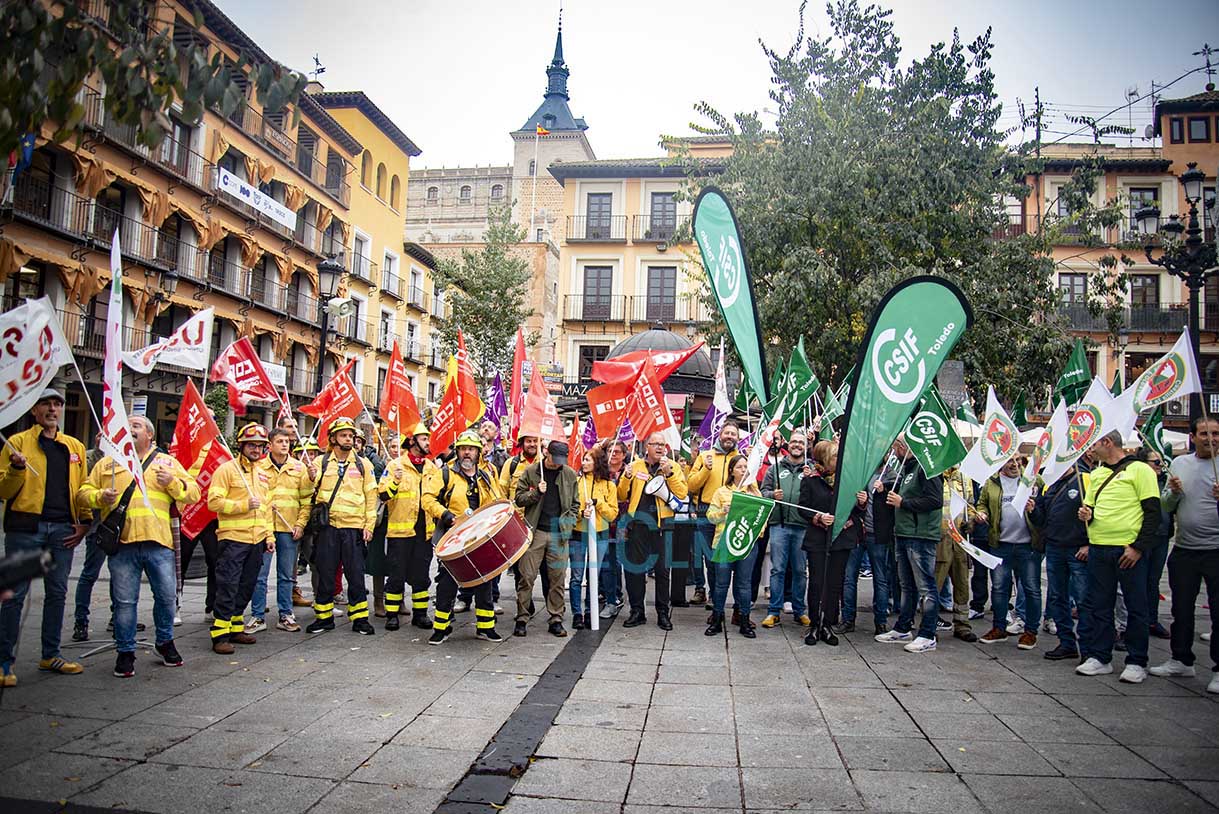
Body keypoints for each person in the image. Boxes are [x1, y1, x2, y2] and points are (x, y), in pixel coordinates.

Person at [77, 416, 199, 677]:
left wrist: (173, 483)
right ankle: (125, 652)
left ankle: (165, 642)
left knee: (166, 598)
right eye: (127, 425)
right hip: (123, 545)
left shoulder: (167, 462)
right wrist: (100, 497)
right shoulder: (108, 463)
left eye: (136, 426)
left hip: (159, 543)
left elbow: (194, 493)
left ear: (150, 436)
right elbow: (82, 493)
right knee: (124, 602)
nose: (131, 429)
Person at [0, 389, 91, 685]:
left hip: (63, 530)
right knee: (15, 596)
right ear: (34, 411)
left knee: (57, 593)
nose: (52, 409)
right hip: (27, 530)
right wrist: (15, 469)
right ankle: (4, 664)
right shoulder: (18, 443)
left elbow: (83, 489)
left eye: (57, 404)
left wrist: (84, 522)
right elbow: (3, 491)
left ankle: (50, 654)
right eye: (46, 404)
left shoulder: (74, 446)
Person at [1076, 430, 1161, 683]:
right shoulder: (1097, 473)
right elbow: (1090, 508)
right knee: (1100, 605)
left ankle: (1137, 660)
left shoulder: (1140, 470)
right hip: (1099, 548)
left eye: (1093, 443)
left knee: (1136, 606)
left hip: (1127, 550)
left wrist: (1138, 547)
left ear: (1107, 442)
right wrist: (1085, 515)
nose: (1089, 449)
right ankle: (1100, 657)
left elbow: (1153, 513)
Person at [1150, 417, 1219, 694]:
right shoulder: (1180, 464)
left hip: (1216, 550)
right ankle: (1181, 658)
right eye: (1204, 433)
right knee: (1181, 609)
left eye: (1215, 433)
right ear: (1192, 437)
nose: (1210, 438)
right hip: (1185, 549)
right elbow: (1166, 504)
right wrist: (1174, 493)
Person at [422, 429, 504, 644]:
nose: (467, 453)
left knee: (484, 581)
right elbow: (428, 499)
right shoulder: (446, 473)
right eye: (463, 449)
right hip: (452, 537)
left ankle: (486, 627)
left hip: (479, 538)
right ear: (458, 451)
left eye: (471, 450)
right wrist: (446, 515)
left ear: (478, 453)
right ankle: (441, 627)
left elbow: (496, 500)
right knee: (447, 582)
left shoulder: (487, 475)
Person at [304, 418, 378, 636]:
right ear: (333, 438)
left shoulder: (364, 465)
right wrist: (309, 477)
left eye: (351, 436)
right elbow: (310, 488)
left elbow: (371, 497)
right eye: (344, 435)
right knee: (326, 573)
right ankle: (324, 618)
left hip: (354, 528)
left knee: (356, 575)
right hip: (328, 528)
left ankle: (360, 619)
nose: (349, 439)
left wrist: (369, 526)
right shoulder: (321, 462)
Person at [206, 424, 274, 654]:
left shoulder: (262, 473)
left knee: (246, 585)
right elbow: (213, 502)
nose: (256, 449)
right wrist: (243, 505)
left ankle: (236, 626)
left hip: (257, 539)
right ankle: (220, 634)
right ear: (242, 445)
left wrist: (269, 535)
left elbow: (267, 508)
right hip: (233, 539)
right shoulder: (227, 470)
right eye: (252, 445)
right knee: (228, 585)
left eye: (260, 445)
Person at [876, 436, 944, 654]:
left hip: (921, 535)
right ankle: (904, 627)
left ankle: (927, 634)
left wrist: (903, 503)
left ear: (905, 447)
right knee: (906, 585)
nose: (894, 451)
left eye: (896, 446)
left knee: (926, 586)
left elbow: (935, 500)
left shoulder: (926, 468)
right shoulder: (907, 469)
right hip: (904, 533)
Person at [618, 432, 688, 630]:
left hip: (662, 525)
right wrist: (626, 477)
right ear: (646, 446)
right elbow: (622, 495)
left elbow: (682, 493)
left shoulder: (672, 466)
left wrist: (670, 474)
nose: (659, 448)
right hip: (638, 525)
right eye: (655, 444)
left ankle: (663, 613)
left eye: (662, 445)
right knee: (634, 570)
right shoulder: (635, 465)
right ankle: (637, 611)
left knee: (662, 571)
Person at [798, 440, 865, 645]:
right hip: (818, 539)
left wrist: (862, 503)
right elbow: (802, 508)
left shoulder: (848, 480)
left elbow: (856, 510)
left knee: (834, 583)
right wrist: (818, 517)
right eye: (836, 456)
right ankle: (814, 624)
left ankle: (828, 624)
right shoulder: (811, 480)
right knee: (817, 582)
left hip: (842, 538)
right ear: (826, 459)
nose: (840, 460)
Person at [250, 428, 314, 634]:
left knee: (287, 574)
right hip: (264, 527)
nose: (284, 444)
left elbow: (306, 500)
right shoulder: (258, 467)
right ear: (270, 445)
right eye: (279, 441)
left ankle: (286, 614)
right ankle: (257, 615)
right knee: (260, 575)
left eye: (287, 441)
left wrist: (300, 524)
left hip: (289, 528)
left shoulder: (298, 467)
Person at [515, 440, 580, 637]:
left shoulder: (568, 473)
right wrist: (536, 493)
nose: (558, 463)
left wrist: (567, 525)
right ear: (546, 453)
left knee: (557, 579)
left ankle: (556, 618)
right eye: (555, 458)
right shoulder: (531, 471)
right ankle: (522, 617)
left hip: (559, 533)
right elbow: (519, 498)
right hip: (535, 532)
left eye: (562, 459)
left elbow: (575, 504)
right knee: (526, 576)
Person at [978, 457, 1043, 650]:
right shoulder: (991, 482)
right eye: (1009, 461)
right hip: (1001, 544)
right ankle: (999, 628)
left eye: (1017, 460)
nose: (1015, 465)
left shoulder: (1033, 480)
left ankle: (1030, 631)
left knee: (1031, 588)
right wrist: (982, 514)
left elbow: (1045, 507)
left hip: (1027, 545)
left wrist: (1035, 509)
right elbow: (982, 504)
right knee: (999, 588)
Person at [379, 423, 438, 631]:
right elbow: (383, 495)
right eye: (423, 439)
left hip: (424, 532)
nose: (427, 442)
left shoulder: (432, 468)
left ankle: (420, 614)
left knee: (421, 575)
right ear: (412, 441)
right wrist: (394, 481)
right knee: (396, 574)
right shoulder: (396, 466)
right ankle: (392, 614)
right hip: (400, 531)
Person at [1031, 463, 1092, 660]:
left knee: (1083, 600)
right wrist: (1033, 511)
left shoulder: (1085, 480)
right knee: (1058, 597)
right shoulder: (1048, 485)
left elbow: (1098, 514)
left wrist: (1089, 544)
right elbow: (1042, 519)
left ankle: (1088, 646)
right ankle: (1066, 642)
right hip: (1054, 548)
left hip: (1078, 549)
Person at [705, 454, 763, 637]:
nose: (744, 470)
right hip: (723, 543)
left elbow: (763, 519)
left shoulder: (754, 492)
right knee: (721, 584)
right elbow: (710, 516)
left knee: (744, 584)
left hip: (746, 545)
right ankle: (716, 619)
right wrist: (723, 511)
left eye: (746, 467)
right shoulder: (721, 492)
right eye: (739, 467)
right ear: (732, 470)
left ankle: (744, 620)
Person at [687, 422, 742, 607]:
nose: (730, 436)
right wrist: (705, 469)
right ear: (720, 434)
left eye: (733, 434)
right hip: (706, 511)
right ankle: (706, 592)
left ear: (737, 438)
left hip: (732, 513)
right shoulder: (705, 456)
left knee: (725, 558)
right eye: (727, 432)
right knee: (707, 556)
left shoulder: (741, 458)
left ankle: (720, 597)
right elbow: (691, 485)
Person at [759, 431, 811, 628]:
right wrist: (773, 494)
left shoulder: (810, 469)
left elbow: (821, 492)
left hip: (802, 526)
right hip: (779, 525)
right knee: (777, 569)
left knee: (799, 570)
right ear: (789, 445)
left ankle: (799, 610)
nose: (797, 445)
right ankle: (774, 611)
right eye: (795, 441)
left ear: (805, 447)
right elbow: (763, 492)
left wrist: (812, 477)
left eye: (801, 442)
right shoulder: (775, 468)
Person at [570, 446, 618, 629]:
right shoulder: (576, 482)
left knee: (593, 575)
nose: (584, 463)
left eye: (588, 459)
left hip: (600, 534)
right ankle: (576, 613)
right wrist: (582, 513)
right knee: (576, 576)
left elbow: (612, 514)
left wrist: (599, 505)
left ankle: (590, 611)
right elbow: (570, 510)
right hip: (578, 534)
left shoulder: (609, 485)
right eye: (583, 459)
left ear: (597, 462)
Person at [936, 466, 979, 643]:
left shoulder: (964, 477)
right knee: (934, 585)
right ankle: (929, 625)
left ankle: (962, 625)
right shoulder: (935, 476)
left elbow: (970, 504)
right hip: (941, 539)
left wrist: (972, 521)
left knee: (962, 584)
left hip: (960, 539)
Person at [1135, 448, 1173, 640]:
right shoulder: (1140, 481)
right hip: (1143, 538)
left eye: (1162, 462)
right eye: (1156, 462)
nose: (1160, 466)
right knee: (1139, 581)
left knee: (1153, 581)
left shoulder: (1165, 482)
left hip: (1162, 537)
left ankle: (1152, 619)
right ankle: (1137, 621)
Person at [599, 440, 629, 618]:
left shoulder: (629, 471)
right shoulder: (601, 471)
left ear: (624, 455)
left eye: (618, 451)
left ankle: (615, 596)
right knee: (604, 561)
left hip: (622, 522)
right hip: (603, 521)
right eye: (611, 450)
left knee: (615, 561)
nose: (614, 454)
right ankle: (607, 592)